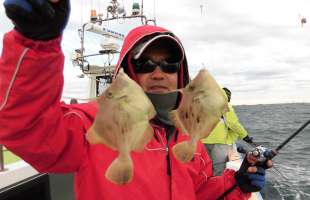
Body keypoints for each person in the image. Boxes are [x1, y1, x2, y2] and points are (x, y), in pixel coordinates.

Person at [0, 0, 271, 199]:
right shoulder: (91, 124)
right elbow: (27, 126)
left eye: (169, 64)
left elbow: (197, 193)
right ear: (127, 71)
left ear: (181, 73)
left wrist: (238, 184)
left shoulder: (188, 139)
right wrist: (36, 42)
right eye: (145, 63)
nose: (158, 72)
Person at [202, 87, 254, 176]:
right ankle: (216, 188)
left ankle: (205, 186)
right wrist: (245, 136)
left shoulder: (206, 106)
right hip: (220, 142)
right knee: (219, 169)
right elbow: (233, 123)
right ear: (227, 97)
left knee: (205, 166)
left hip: (203, 141)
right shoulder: (225, 105)